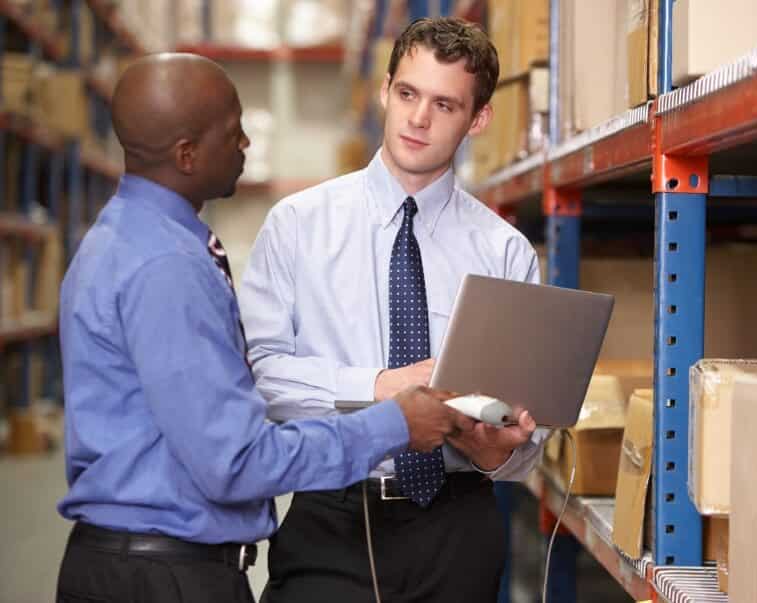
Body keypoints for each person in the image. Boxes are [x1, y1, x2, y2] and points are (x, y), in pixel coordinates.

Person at [55, 53, 473, 603]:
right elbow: (236, 461)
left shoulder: (126, 237)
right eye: (233, 132)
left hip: (142, 564)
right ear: (186, 155)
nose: (246, 143)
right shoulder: (166, 267)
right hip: (162, 578)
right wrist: (392, 424)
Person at [240, 17, 546, 603]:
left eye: (445, 104)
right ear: (384, 91)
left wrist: (495, 453)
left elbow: (522, 437)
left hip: (457, 528)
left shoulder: (503, 250)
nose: (418, 118)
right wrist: (381, 387)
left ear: (478, 119)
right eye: (407, 94)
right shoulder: (299, 226)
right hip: (331, 515)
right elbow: (259, 378)